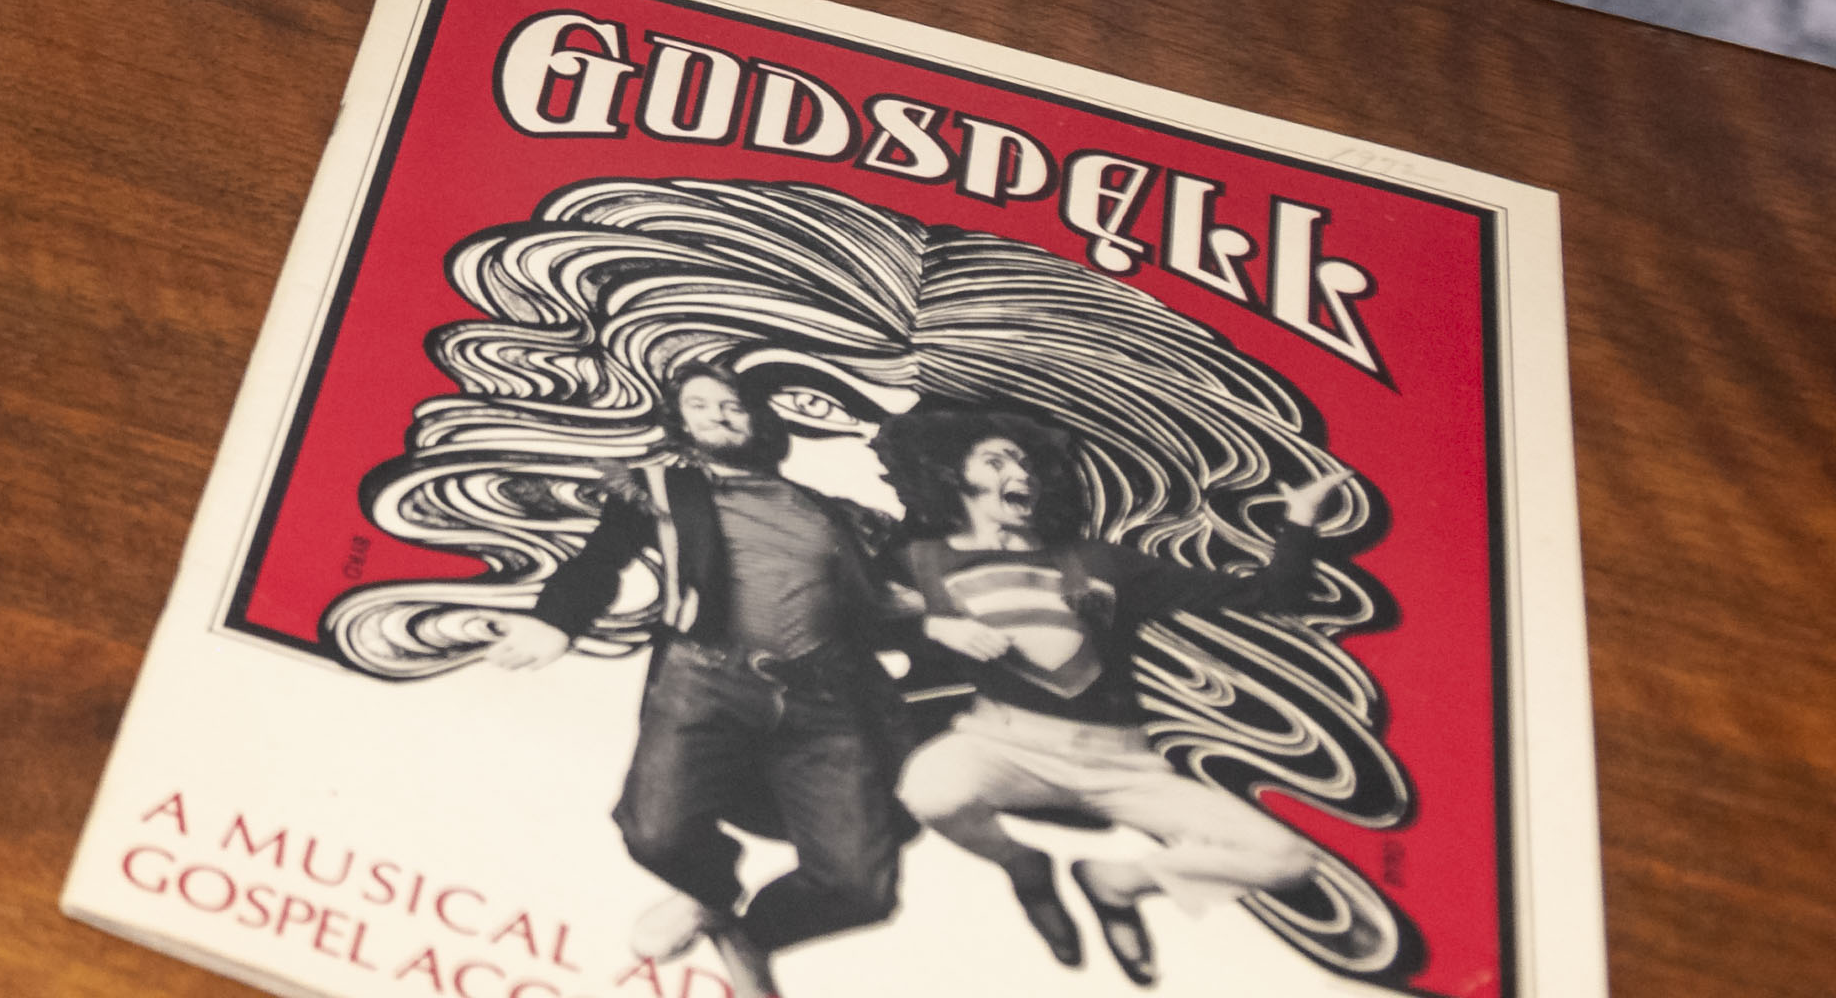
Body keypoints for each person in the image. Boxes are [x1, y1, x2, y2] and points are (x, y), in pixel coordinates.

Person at [877, 403, 1354, 985]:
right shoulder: (918, 562)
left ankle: (1113, 882)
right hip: (1002, 745)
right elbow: (849, 622)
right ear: (952, 474)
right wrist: (930, 624)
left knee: (1288, 860)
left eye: (1025, 463)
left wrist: (1300, 519)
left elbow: (1268, 596)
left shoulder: (1102, 561)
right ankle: (1022, 867)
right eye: (996, 461)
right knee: (930, 792)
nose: (1019, 474)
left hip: (1122, 764)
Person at [475, 360, 912, 994]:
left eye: (734, 404)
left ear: (760, 420)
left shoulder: (831, 512)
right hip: (704, 677)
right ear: (679, 422)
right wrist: (555, 622)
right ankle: (709, 889)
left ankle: (748, 933)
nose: (721, 414)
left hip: (827, 694)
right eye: (702, 404)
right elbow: (599, 562)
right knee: (655, 834)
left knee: (859, 887)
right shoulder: (662, 487)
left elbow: (878, 608)